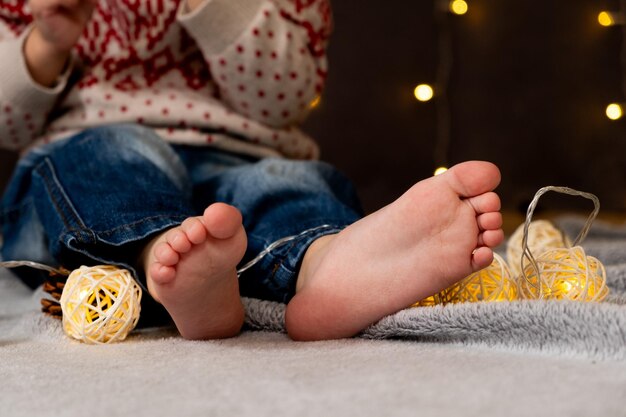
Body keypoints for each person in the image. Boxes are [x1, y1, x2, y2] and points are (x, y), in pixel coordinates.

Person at [0, 0, 504, 341]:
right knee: (113, 153)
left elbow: (282, 101)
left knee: (283, 183)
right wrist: (47, 40)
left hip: (240, 152)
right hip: (88, 159)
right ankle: (166, 261)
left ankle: (325, 265)